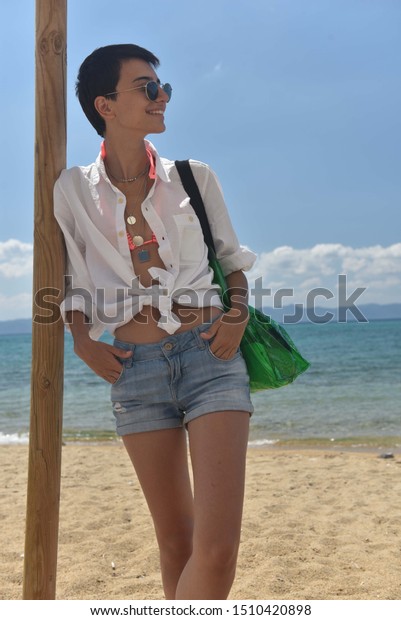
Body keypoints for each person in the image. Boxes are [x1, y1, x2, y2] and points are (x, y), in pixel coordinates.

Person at [54, 44, 256, 600]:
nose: (161, 97)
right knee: (175, 542)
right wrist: (80, 341)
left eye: (163, 88)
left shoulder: (195, 177)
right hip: (134, 372)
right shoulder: (71, 190)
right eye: (147, 88)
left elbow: (234, 265)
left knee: (215, 554)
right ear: (106, 104)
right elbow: (71, 284)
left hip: (210, 356)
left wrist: (236, 317)